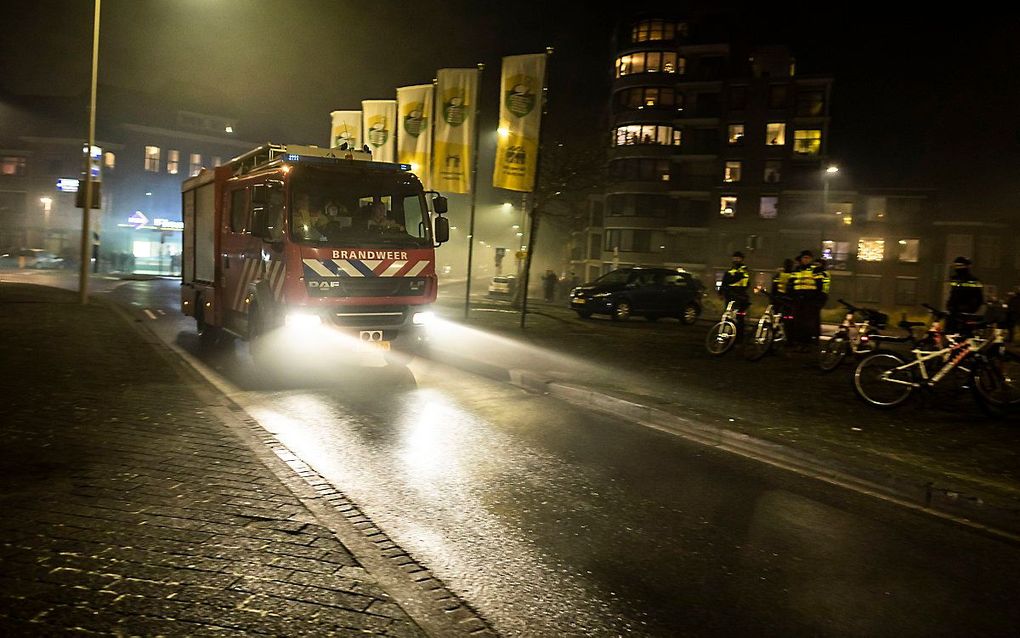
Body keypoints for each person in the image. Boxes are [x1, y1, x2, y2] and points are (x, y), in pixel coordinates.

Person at [788, 250, 827, 350]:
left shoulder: (816, 270)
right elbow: (791, 284)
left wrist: (817, 299)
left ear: (811, 259)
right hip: (798, 300)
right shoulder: (796, 270)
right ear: (801, 259)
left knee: (808, 324)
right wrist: (792, 296)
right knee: (798, 323)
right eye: (804, 258)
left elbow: (819, 285)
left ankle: (807, 344)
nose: (806, 260)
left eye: (808, 258)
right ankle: (799, 343)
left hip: (810, 300)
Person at [945, 256, 984, 334]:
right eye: (956, 266)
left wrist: (970, 308)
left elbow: (979, 298)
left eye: (959, 265)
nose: (957, 268)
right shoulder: (955, 279)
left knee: (963, 334)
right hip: (954, 312)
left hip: (966, 313)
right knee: (949, 334)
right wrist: (950, 305)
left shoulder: (973, 280)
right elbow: (953, 294)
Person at [720, 251, 750, 341]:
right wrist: (721, 292)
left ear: (742, 259)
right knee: (728, 314)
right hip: (730, 296)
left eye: (738, 258)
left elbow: (744, 282)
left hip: (740, 296)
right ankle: (727, 333)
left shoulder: (744, 270)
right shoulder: (731, 270)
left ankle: (739, 337)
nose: (736, 260)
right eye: (734, 258)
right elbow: (724, 281)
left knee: (740, 317)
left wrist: (730, 282)